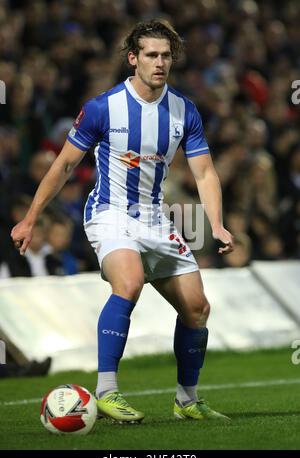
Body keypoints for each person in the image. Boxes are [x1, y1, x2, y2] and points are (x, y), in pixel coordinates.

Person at [11, 19, 234, 424]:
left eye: (166, 55)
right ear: (134, 58)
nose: (160, 62)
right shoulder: (103, 108)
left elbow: (204, 173)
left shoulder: (185, 110)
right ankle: (107, 391)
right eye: (151, 54)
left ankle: (187, 400)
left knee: (198, 309)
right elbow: (63, 166)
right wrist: (30, 219)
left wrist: (215, 225)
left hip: (155, 219)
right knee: (128, 284)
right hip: (110, 213)